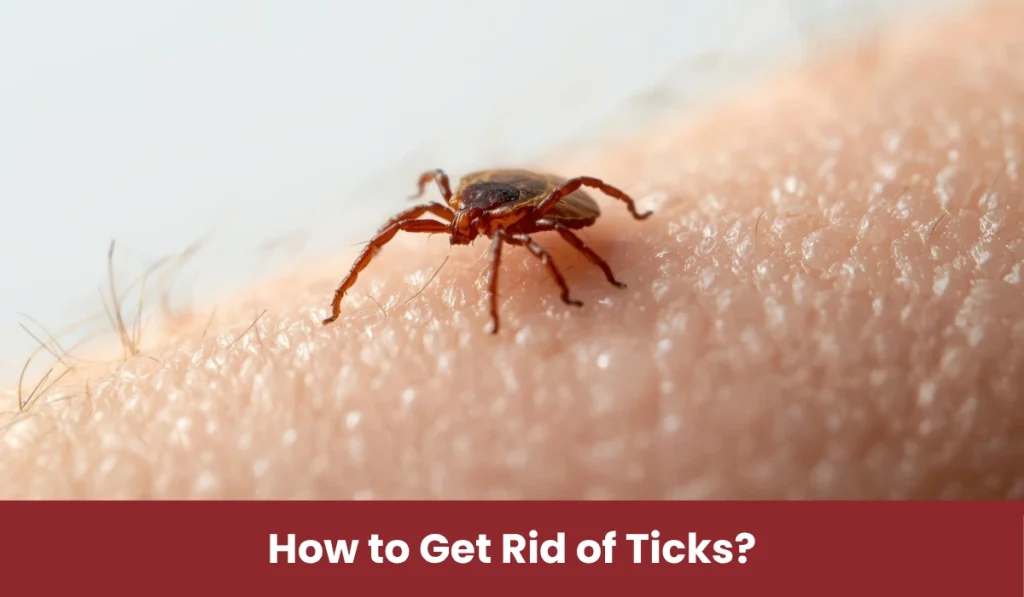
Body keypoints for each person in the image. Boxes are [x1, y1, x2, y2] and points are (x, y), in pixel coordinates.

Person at [2, 1, 1021, 499]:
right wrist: (369, 275)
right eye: (453, 213)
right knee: (422, 233)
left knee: (535, 257)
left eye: (462, 218)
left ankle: (591, 267)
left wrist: (601, 256)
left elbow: (562, 209)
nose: (456, 231)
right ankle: (397, 283)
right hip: (519, 190)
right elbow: (452, 213)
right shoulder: (459, 208)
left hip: (544, 205)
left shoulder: (524, 223)